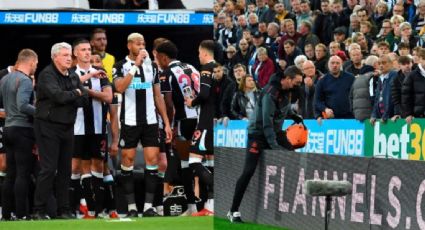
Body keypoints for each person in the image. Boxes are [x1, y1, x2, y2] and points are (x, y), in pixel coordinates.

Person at [227, 66, 303, 223]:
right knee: (248, 171)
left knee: (294, 160)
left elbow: (282, 109)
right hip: (258, 134)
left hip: (275, 132)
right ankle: (233, 210)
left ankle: (288, 210)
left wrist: (294, 116)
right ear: (288, 79)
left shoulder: (286, 91)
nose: (298, 86)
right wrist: (274, 146)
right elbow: (267, 122)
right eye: (296, 82)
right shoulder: (270, 93)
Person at [113, 33, 172, 217]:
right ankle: (131, 208)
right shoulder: (120, 66)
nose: (142, 46)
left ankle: (148, 206)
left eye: (143, 44)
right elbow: (120, 88)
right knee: (127, 161)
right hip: (130, 121)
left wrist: (167, 123)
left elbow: (157, 96)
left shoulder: (152, 66)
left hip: (150, 121)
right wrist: (135, 66)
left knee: (153, 161)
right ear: (129, 45)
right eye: (138, 44)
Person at [33, 42, 88, 220]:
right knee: (48, 169)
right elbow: (58, 96)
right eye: (65, 55)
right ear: (55, 57)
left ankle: (63, 210)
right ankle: (38, 210)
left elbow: (84, 99)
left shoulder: (72, 74)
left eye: (69, 55)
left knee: (66, 170)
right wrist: (76, 93)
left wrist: (75, 95)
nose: (68, 58)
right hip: (47, 126)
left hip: (67, 126)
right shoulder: (46, 75)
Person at [155, 40, 201, 215]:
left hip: (183, 121)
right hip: (199, 118)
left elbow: (168, 103)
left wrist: (170, 125)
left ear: (164, 57)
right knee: (198, 159)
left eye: (158, 57)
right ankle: (202, 203)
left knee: (185, 164)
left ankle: (192, 207)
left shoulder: (166, 73)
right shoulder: (192, 67)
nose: (157, 61)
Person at [69, 39, 112, 219]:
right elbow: (66, 92)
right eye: (83, 50)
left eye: (88, 49)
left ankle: (97, 209)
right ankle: (73, 209)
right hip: (77, 129)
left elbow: (108, 97)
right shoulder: (70, 74)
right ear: (75, 54)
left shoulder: (100, 74)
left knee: (98, 166)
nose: (87, 53)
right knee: (77, 167)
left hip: (97, 128)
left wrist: (86, 92)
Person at [0, 49, 38, 220]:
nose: (35, 67)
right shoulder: (25, 80)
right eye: (36, 64)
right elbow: (23, 105)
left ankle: (6, 214)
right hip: (22, 129)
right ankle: (22, 214)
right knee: (23, 173)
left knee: (11, 174)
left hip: (7, 129)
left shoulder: (5, 78)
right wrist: (42, 112)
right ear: (30, 62)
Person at [184, 40, 216, 216]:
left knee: (194, 161)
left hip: (205, 122)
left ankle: (217, 192)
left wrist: (191, 102)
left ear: (204, 53)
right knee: (210, 163)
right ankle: (210, 208)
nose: (198, 56)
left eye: (198, 52)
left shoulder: (207, 69)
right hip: (215, 121)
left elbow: (203, 94)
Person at [89, 52, 119, 218]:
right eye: (91, 61)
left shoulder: (107, 84)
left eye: (97, 61)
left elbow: (113, 116)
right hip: (81, 132)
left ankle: (109, 208)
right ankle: (90, 207)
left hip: (101, 131)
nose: (94, 63)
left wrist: (114, 140)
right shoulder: (80, 81)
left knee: (102, 167)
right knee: (84, 168)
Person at [314, 55, 355, 123]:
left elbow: (356, 96)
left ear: (341, 65)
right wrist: (325, 110)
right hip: (331, 119)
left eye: (337, 63)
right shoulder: (322, 81)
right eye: (332, 63)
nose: (335, 65)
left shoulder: (350, 78)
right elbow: (317, 101)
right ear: (328, 65)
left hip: (350, 117)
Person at [370, 54, 398, 125]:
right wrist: (374, 115)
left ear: (391, 64)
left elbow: (393, 98)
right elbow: (377, 99)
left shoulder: (395, 76)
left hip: (392, 118)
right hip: (382, 117)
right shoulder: (380, 78)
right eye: (379, 63)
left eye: (384, 63)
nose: (381, 65)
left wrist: (386, 115)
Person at [402, 48, 425, 123]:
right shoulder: (411, 76)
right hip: (418, 116)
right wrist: (408, 114)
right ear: (420, 59)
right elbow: (406, 96)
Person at [392, 55, 413, 119]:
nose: (407, 66)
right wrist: (397, 113)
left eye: (408, 63)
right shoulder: (396, 79)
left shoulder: (418, 75)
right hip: (404, 114)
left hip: (418, 113)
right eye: (404, 64)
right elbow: (396, 99)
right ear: (399, 66)